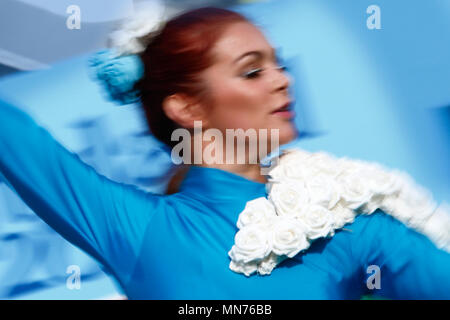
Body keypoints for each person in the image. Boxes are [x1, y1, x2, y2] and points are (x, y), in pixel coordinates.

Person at [0, 7, 449, 300]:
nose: (282, 80)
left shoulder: (346, 222)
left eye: (280, 64)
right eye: (253, 71)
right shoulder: (138, 229)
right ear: (186, 107)